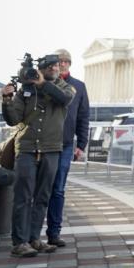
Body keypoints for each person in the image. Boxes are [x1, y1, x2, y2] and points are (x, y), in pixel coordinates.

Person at [1, 55, 74, 257]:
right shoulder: (26, 90)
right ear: (40, 69)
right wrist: (7, 99)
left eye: (57, 66)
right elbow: (13, 119)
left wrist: (42, 84)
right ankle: (20, 242)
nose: (55, 69)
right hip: (26, 149)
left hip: (51, 149)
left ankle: (34, 238)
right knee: (23, 196)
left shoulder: (65, 88)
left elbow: (64, 99)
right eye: (50, 67)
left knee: (43, 196)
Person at [45, 48, 90, 247]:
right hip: (43, 144)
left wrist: (81, 144)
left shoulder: (79, 87)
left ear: (70, 64)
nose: (62, 64)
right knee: (40, 190)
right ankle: (31, 235)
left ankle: (54, 233)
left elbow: (83, 117)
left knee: (58, 190)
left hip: (65, 145)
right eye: (59, 61)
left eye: (66, 61)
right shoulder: (44, 84)